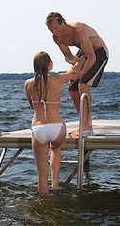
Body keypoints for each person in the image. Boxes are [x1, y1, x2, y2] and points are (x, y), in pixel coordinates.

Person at [45, 12, 109, 137]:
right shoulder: (57, 37)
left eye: (56, 28)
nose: (54, 32)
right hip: (85, 54)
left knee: (83, 84)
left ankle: (85, 126)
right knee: (72, 89)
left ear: (63, 23)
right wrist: (75, 62)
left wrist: (81, 72)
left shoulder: (78, 29)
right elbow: (68, 56)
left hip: (98, 53)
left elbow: (92, 56)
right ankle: (84, 122)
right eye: (51, 29)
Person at [24, 51, 76, 194]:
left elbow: (31, 106)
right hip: (57, 127)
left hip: (38, 128)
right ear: (50, 65)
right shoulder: (58, 79)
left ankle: (44, 205)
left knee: (41, 175)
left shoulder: (28, 84)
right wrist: (75, 59)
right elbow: (77, 71)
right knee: (55, 149)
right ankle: (55, 184)